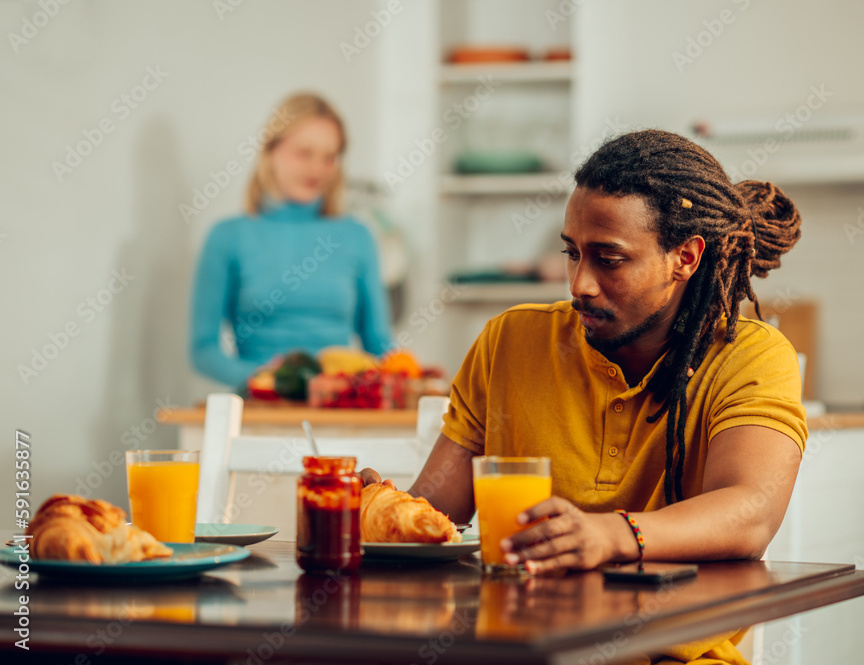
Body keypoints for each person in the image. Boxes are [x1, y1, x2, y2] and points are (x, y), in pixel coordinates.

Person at [362, 129, 806, 665]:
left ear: (684, 258)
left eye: (609, 259)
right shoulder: (511, 341)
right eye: (572, 254)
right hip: (515, 650)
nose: (580, 284)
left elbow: (750, 511)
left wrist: (609, 536)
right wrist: (376, 512)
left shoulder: (750, 355)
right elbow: (437, 517)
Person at [190, 93, 393, 389]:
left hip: (340, 410)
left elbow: (379, 343)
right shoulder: (228, 237)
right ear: (270, 151)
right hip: (260, 412)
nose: (317, 169)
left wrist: (407, 376)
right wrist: (270, 382)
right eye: (304, 153)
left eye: (329, 157)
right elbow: (203, 349)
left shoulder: (357, 236)